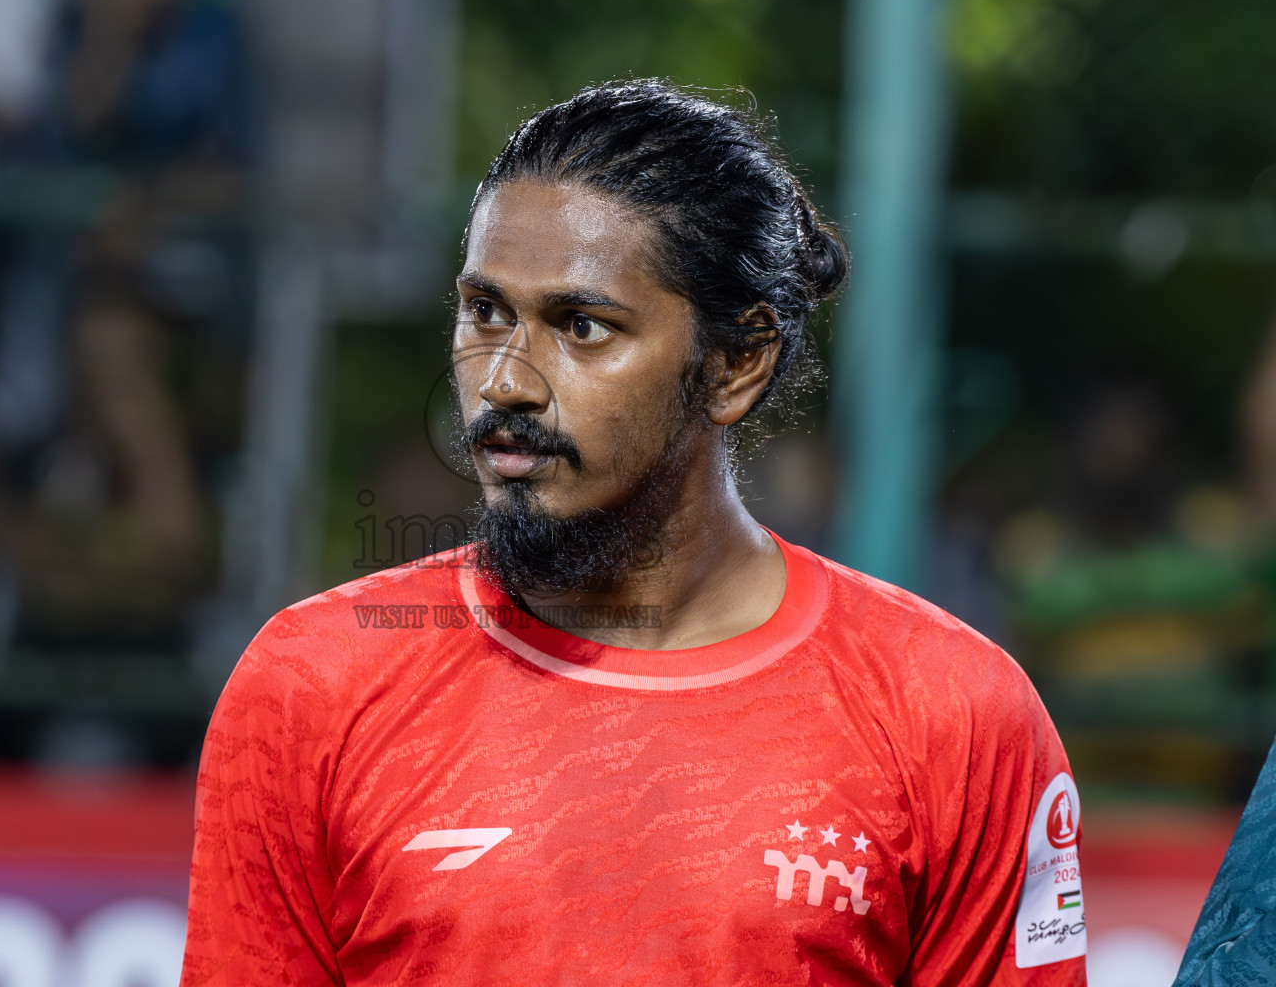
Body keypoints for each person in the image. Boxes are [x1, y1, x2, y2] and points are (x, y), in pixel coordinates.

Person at [180, 80, 1086, 986]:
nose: (504, 381)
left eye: (581, 326)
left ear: (736, 364)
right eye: (485, 311)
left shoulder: (952, 718)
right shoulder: (313, 688)